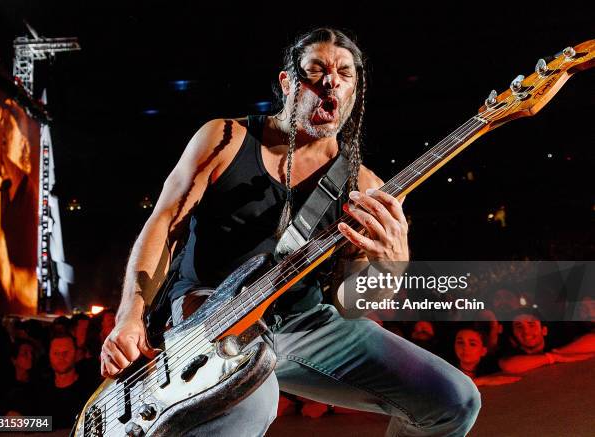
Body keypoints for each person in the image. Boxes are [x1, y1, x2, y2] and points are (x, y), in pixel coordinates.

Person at [100, 28, 480, 436]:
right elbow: (163, 224)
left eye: (344, 74)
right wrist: (129, 318)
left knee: (453, 400)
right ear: (288, 83)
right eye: (315, 70)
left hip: (304, 323)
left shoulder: (365, 186)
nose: (330, 81)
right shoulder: (225, 138)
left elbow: (349, 300)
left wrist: (391, 268)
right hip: (209, 314)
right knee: (251, 400)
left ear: (354, 90)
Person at [498, 308, 595, 374]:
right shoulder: (510, 352)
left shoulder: (560, 340)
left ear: (544, 330)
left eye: (531, 324)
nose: (526, 331)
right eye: (519, 326)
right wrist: (553, 358)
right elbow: (507, 366)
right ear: (513, 336)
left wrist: (560, 352)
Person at [37, 334, 97, 429]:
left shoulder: (90, 390)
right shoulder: (39, 391)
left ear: (76, 353)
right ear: (49, 355)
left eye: (66, 352)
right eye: (56, 353)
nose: (61, 357)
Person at [453, 326, 520, 387]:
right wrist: (483, 381)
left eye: (472, 344)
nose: (464, 347)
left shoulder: (493, 370)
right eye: (460, 342)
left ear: (483, 351)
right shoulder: (447, 370)